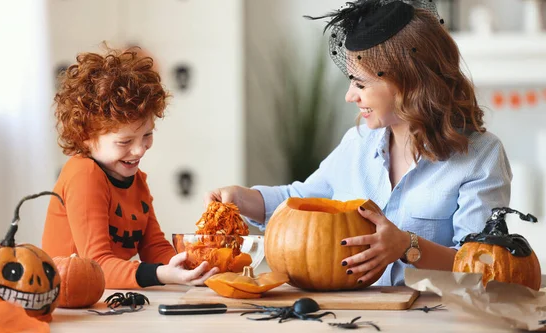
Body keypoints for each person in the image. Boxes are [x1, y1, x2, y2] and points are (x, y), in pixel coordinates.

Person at [205, 0, 512, 286]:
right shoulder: (358, 143)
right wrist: (241, 198)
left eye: (361, 84)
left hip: (435, 320)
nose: (350, 96)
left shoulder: (481, 156)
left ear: (409, 83)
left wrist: (408, 245)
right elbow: (300, 200)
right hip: (357, 316)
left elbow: (482, 267)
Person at [43, 47, 218, 289]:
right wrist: (161, 274)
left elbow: (153, 245)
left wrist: (191, 267)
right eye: (125, 142)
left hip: (102, 294)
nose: (140, 150)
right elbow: (97, 264)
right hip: (71, 294)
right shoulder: (84, 175)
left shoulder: (136, 180)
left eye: (147, 135)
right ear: (85, 136)